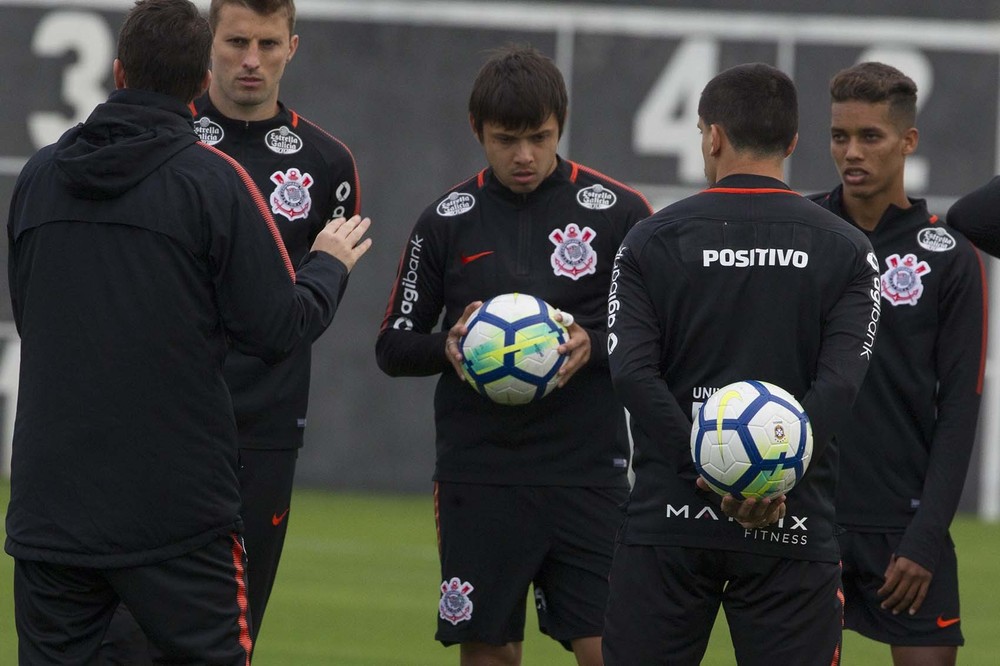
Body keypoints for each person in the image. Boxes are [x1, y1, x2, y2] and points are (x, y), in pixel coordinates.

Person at [4, 0, 371, 662]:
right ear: (201, 78)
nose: (251, 59)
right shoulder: (212, 180)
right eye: (236, 42)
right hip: (177, 495)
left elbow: (34, 315)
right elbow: (277, 326)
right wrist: (327, 266)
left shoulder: (36, 177)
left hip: (51, 499)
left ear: (117, 73)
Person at [376, 45, 652, 666]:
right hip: (481, 474)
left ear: (561, 125)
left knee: (611, 650)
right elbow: (392, 345)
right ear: (478, 131)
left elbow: (659, 337)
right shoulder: (445, 221)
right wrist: (448, 347)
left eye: (540, 137)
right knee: (491, 654)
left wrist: (596, 345)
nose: (524, 156)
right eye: (506, 140)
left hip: (587, 471)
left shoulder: (620, 213)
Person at [602, 62, 881, 665]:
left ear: (712, 137)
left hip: (671, 518)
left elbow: (630, 374)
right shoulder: (847, 249)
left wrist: (708, 474)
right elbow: (839, 385)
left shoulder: (651, 239)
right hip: (793, 520)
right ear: (793, 142)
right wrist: (769, 479)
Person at [809, 62, 986, 666]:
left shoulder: (951, 257)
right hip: (809, 517)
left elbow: (960, 408)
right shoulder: (803, 232)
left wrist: (927, 536)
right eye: (839, 136)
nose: (851, 152)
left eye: (870, 137)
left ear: (908, 141)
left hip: (904, 529)